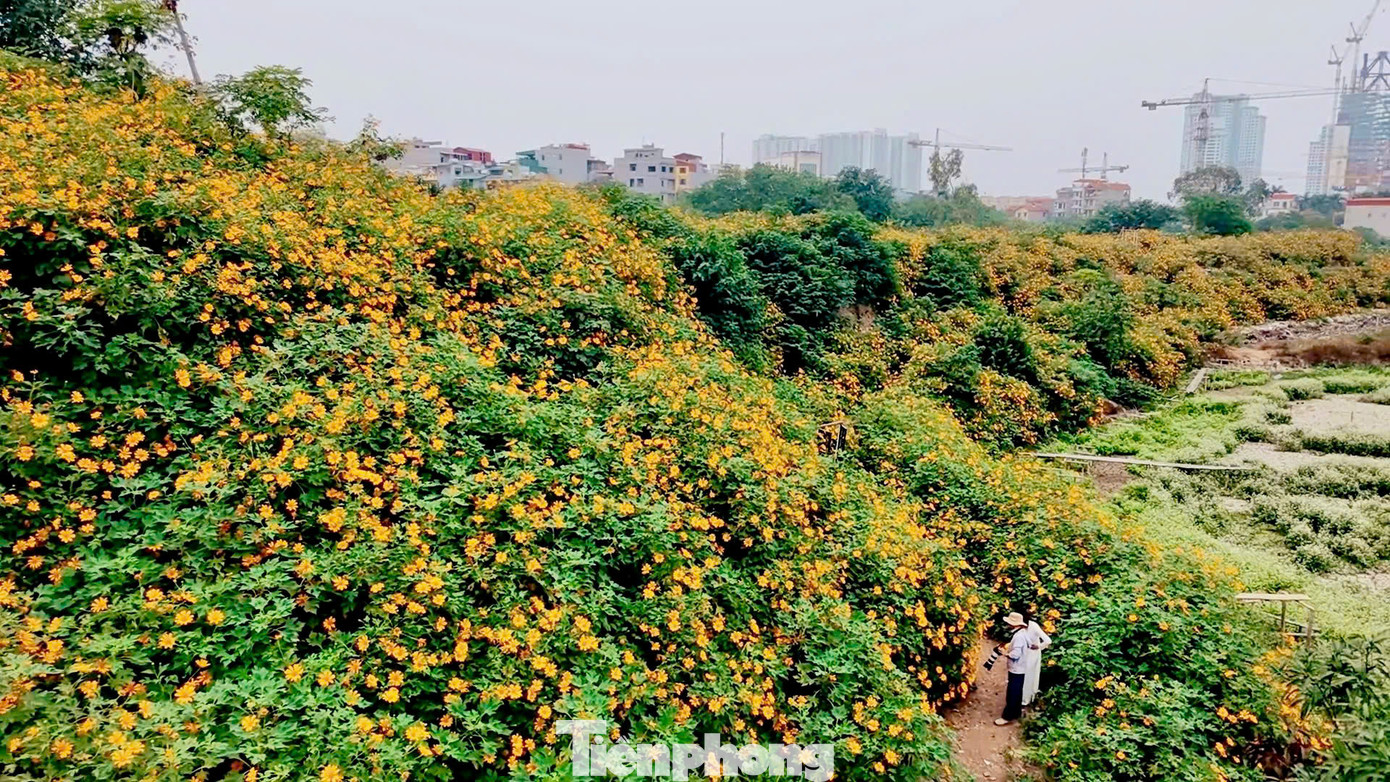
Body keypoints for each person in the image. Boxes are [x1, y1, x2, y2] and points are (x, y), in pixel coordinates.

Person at [993, 612, 1029, 726]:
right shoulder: (1022, 633)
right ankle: (1016, 713)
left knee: (1012, 692)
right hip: (1020, 667)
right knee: (1017, 691)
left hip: (1017, 667)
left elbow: (1016, 654)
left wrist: (1005, 653)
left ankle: (1007, 716)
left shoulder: (1018, 636)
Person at [1021, 614, 1052, 708]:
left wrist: (1039, 646)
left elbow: (1048, 640)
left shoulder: (1034, 626)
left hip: (1032, 655)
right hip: (1024, 653)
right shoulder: (1020, 628)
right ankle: (1020, 696)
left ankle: (1025, 700)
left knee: (1029, 677)